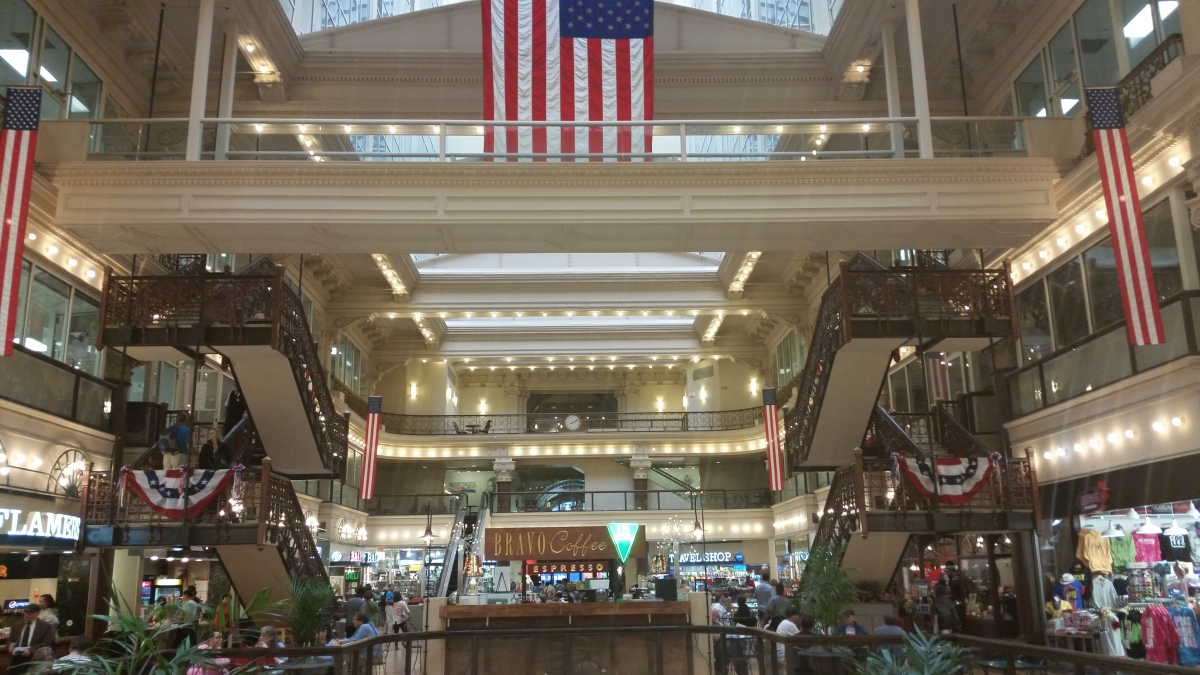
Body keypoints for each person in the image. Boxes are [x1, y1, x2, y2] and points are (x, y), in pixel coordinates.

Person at [9, 605, 56, 669]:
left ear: (37, 614)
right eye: (25, 612)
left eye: (30, 613)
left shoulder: (45, 626)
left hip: (34, 658)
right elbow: (10, 640)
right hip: (17, 659)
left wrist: (31, 649)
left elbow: (47, 643)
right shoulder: (17, 625)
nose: (27, 615)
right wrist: (10, 645)